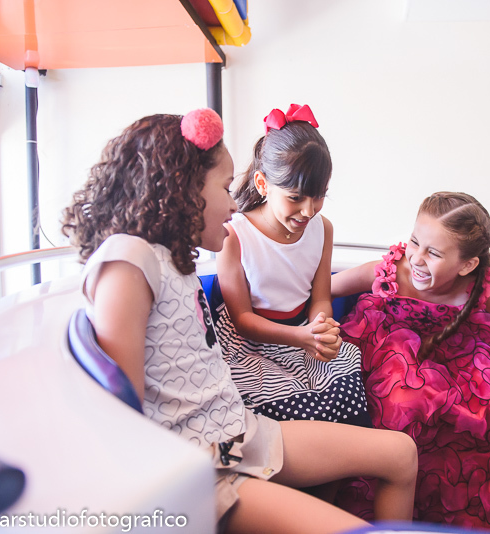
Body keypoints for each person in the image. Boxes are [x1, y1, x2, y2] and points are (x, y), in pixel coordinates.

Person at [61, 109, 417, 534]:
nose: (234, 203)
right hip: (206, 468)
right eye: (225, 187)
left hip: (240, 435)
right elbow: (125, 423)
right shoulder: (129, 259)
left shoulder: (172, 259)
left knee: (401, 454)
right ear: (184, 187)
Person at [331, 192, 490, 530]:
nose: (417, 258)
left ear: (467, 265)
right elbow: (329, 288)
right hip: (392, 348)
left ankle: (461, 520)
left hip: (463, 355)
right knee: (406, 398)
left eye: (433, 253)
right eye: (415, 242)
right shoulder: (394, 270)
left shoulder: (479, 286)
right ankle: (386, 514)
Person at [213, 104, 371, 426]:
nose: (309, 211)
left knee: (349, 397)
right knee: (285, 412)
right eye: (296, 198)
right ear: (262, 184)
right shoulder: (235, 236)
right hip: (252, 345)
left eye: (319, 196)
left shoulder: (323, 229)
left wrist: (321, 329)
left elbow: (320, 298)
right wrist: (301, 337)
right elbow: (242, 320)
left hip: (303, 333)